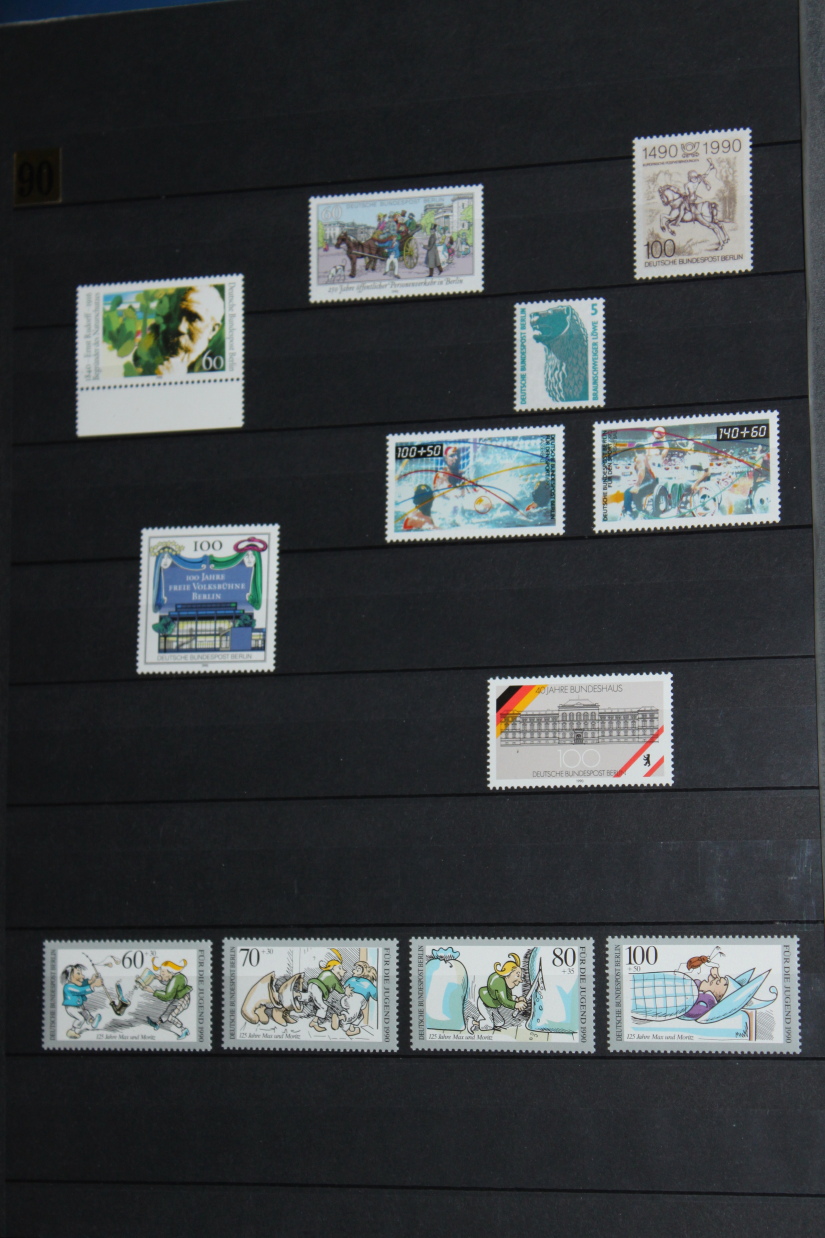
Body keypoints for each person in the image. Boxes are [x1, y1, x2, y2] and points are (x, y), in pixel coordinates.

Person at [155, 284, 225, 378]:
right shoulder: (161, 355)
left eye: (193, 318)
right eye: (181, 314)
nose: (180, 328)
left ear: (213, 330)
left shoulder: (215, 373)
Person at [466, 953, 528, 1033]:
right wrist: (516, 1005)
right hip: (484, 1003)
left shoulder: (506, 984)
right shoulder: (500, 983)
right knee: (489, 1025)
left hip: (493, 1005)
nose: (520, 980)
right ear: (509, 973)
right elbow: (504, 1001)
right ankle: (473, 1022)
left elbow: (508, 996)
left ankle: (483, 1018)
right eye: (518, 975)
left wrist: (517, 999)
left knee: (500, 1022)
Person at [142, 958, 193, 1040]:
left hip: (183, 999)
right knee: (167, 1012)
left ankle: (184, 1030)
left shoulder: (176, 979)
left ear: (170, 972)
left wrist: (153, 991)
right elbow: (170, 984)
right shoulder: (175, 977)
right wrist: (161, 979)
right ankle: (157, 1024)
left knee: (171, 1017)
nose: (161, 975)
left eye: (163, 973)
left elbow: (167, 996)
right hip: (178, 997)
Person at [307, 948, 347, 1033]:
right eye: (339, 968)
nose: (342, 970)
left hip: (312, 985)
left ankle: (296, 994)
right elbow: (340, 990)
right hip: (318, 988)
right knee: (323, 1007)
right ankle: (314, 1022)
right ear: (333, 968)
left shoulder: (326, 973)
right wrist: (345, 990)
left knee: (307, 996)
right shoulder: (333, 977)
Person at [62, 963, 103, 1038]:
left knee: (86, 1013)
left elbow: (83, 983)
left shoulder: (76, 984)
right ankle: (71, 1031)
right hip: (71, 1007)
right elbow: (80, 990)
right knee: (80, 1019)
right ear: (69, 977)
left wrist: (92, 980)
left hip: (79, 1006)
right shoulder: (68, 987)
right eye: (78, 974)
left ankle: (92, 1021)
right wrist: (93, 985)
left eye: (81, 973)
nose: (82, 976)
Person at [340, 961, 378, 1037]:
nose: (353, 970)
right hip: (357, 999)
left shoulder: (351, 979)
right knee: (353, 1013)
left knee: (359, 1016)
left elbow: (344, 987)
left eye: (357, 970)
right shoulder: (368, 983)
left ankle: (351, 1029)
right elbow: (376, 996)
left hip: (345, 999)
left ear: (363, 973)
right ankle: (340, 1018)